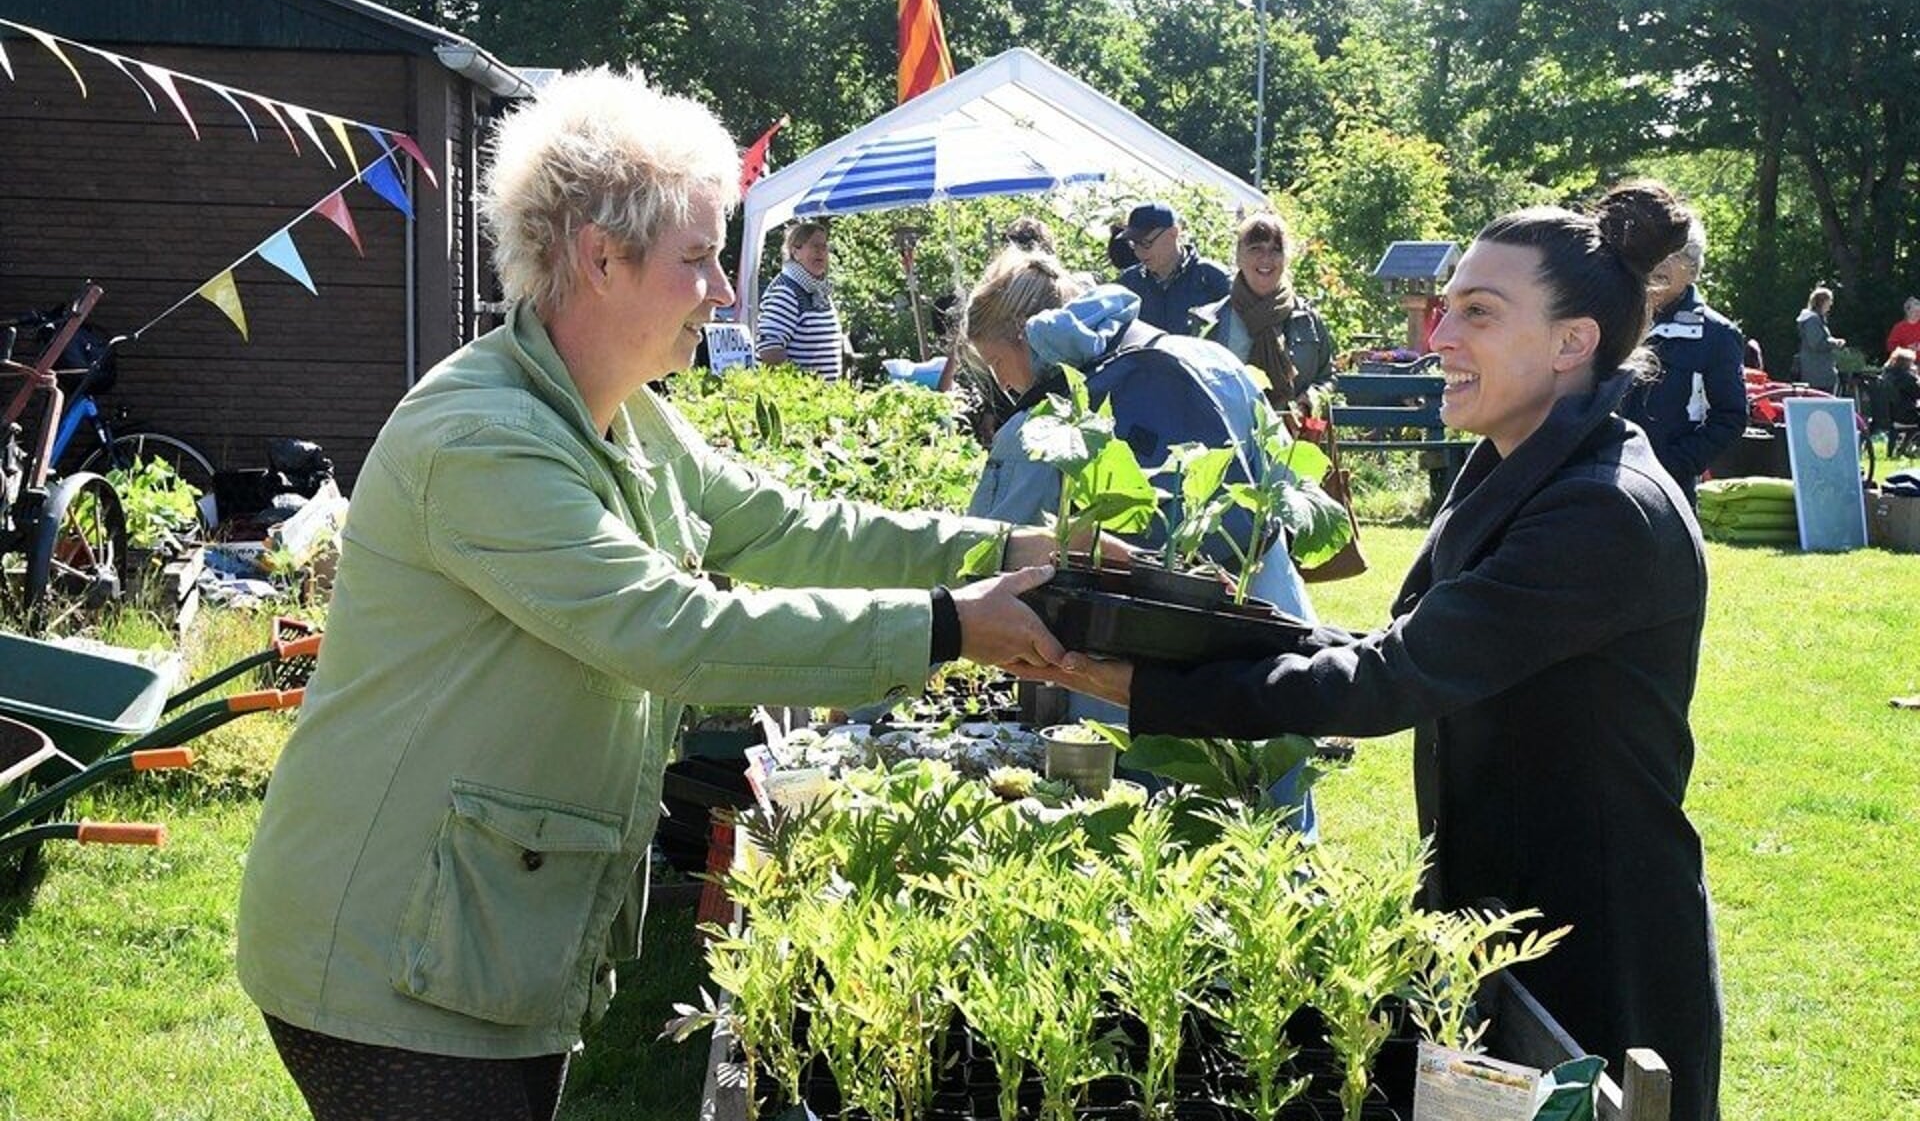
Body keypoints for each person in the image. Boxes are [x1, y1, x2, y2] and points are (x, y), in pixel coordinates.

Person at [234, 68, 1076, 1121]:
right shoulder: (483, 437)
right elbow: (671, 631)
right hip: (384, 949)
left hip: (462, 929)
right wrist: (951, 624)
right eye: (697, 259)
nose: (724, 291)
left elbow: (791, 525)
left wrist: (1015, 539)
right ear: (600, 257)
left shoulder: (621, 416)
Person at [1019, 182, 1725, 1121]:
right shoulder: (1523, 467)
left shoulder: (1602, 510)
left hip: (1595, 943)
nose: (1439, 337)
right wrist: (1166, 611)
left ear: (1573, 340)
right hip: (1499, 911)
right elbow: (1397, 642)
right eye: (1447, 308)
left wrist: (1147, 685)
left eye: (1478, 312)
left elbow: (1388, 681)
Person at [961, 245, 1320, 829]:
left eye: (999, 364)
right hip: (1263, 612)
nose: (1003, 384)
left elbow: (977, 554)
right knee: (1276, 817)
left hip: (1136, 653)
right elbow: (1282, 491)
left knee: (1152, 838)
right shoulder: (1213, 360)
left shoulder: (1050, 424)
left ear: (1026, 342)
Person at [1617, 204, 1748, 503]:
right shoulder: (1613, 320)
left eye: (1674, 255)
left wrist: (1674, 463)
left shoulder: (1716, 334)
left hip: (1669, 486)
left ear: (1693, 270)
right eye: (1656, 254)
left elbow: (1730, 417)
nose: (1661, 264)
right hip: (1604, 477)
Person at [1189, 211, 1335, 409]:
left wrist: (1309, 403)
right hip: (1230, 437)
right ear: (1239, 257)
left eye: (1275, 249)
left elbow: (1327, 378)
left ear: (1286, 258)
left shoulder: (1307, 319)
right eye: (1255, 248)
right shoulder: (1209, 322)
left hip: (1292, 436)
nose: (1266, 258)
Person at [1116, 201, 1232, 336]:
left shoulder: (1213, 279)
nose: (1139, 252)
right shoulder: (1129, 283)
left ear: (1173, 234)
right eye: (1134, 243)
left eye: (1145, 243)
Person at [755, 218, 847, 381]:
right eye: (814, 246)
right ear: (795, 252)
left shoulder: (819, 290)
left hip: (825, 400)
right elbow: (769, 350)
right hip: (801, 401)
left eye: (824, 246)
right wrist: (798, 390)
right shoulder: (785, 291)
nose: (821, 251)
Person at [1795, 285, 1845, 392]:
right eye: (1829, 301)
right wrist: (1835, 343)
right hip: (1817, 374)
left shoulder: (1816, 319)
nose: (1830, 304)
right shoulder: (1812, 320)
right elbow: (1815, 343)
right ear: (1822, 302)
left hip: (1821, 372)